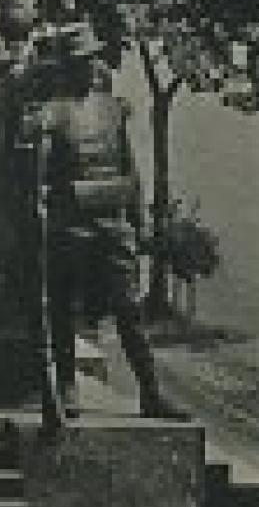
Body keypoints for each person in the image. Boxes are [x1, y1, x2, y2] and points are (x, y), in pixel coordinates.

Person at [36, 22, 183, 423]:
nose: (88, 67)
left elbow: (129, 165)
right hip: (72, 226)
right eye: (79, 62)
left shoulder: (112, 109)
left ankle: (151, 392)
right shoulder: (53, 113)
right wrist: (50, 213)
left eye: (91, 59)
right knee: (64, 311)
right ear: (66, 67)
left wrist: (137, 221)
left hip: (113, 224)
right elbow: (40, 178)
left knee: (128, 310)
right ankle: (67, 385)